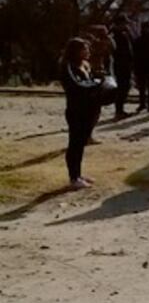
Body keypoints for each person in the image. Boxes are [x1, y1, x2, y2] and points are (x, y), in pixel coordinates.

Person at [59, 37, 101, 190]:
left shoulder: (85, 65)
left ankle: (79, 174)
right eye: (85, 49)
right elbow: (76, 85)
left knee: (81, 143)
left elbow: (89, 82)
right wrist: (95, 85)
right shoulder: (68, 66)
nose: (88, 52)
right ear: (76, 51)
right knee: (74, 143)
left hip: (87, 109)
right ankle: (73, 177)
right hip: (76, 109)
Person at [85, 24, 115, 143]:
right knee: (93, 109)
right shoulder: (92, 45)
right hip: (92, 76)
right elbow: (110, 47)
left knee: (94, 109)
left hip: (97, 75)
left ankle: (88, 135)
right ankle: (87, 135)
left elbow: (112, 48)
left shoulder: (93, 44)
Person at [110, 14, 134, 119]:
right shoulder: (116, 35)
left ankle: (120, 109)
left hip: (125, 63)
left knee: (125, 86)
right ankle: (118, 111)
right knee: (122, 87)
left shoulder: (124, 34)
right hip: (121, 64)